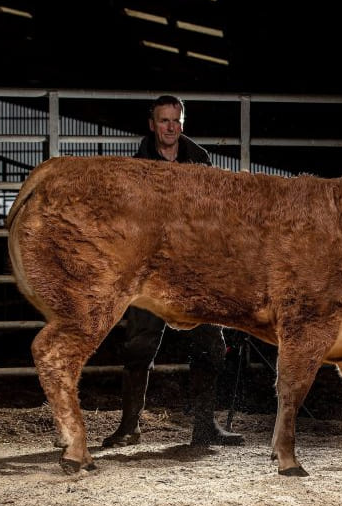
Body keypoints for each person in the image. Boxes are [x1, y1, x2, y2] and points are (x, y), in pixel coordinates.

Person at [102, 95, 244, 448]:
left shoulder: (200, 161)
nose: (170, 127)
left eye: (175, 121)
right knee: (139, 344)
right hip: (151, 270)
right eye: (163, 121)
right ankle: (130, 426)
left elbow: (213, 213)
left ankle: (204, 426)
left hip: (194, 268)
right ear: (152, 124)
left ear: (182, 123)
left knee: (210, 343)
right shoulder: (136, 167)